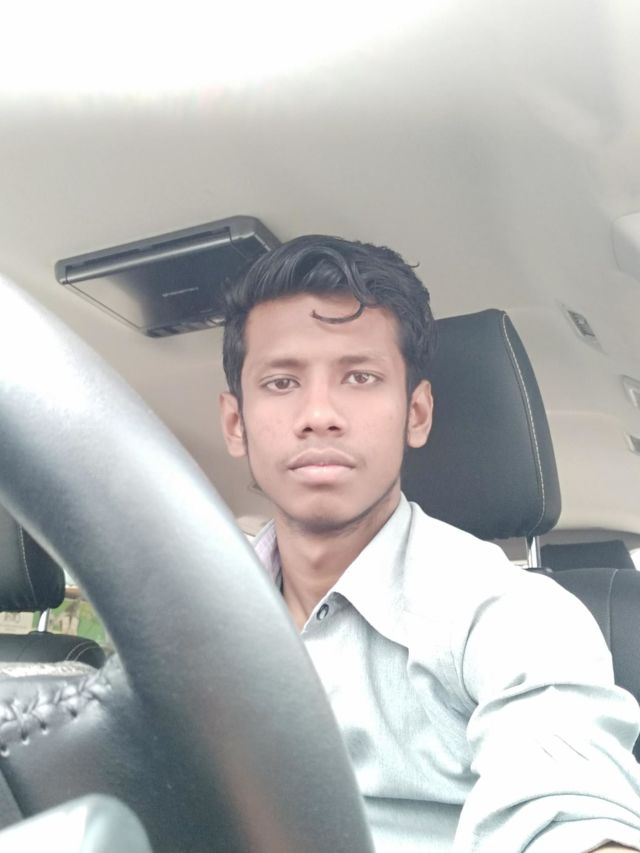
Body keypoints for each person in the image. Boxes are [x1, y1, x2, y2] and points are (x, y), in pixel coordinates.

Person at [218, 234, 640, 852]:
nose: (319, 414)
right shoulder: (191, 616)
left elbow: (568, 810)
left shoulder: (510, 614)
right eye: (282, 382)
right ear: (236, 424)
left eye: (360, 377)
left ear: (416, 414)